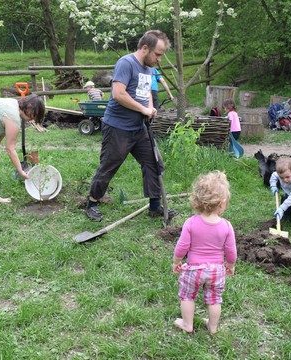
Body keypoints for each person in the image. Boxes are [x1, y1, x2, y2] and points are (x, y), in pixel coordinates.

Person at [85, 30, 179, 222]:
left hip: (139, 127)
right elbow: (118, 94)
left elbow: (146, 95)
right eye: (158, 54)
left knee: (153, 162)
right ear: (145, 48)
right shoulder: (126, 63)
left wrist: (150, 108)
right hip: (118, 127)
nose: (160, 59)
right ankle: (92, 203)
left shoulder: (149, 68)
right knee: (109, 165)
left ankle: (154, 206)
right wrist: (143, 109)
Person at [172, 171, 237, 335]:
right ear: (222, 203)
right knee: (215, 300)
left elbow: (182, 246)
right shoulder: (226, 226)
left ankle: (188, 324)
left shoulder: (191, 223)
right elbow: (231, 251)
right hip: (216, 270)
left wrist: (176, 261)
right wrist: (230, 265)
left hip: (193, 269)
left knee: (187, 296)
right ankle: (213, 327)